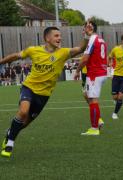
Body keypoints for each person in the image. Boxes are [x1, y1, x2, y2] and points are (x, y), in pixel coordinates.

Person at [0, 25, 90, 157]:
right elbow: (15, 56)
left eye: (60, 36)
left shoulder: (63, 53)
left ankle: (10, 132)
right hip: (29, 87)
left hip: (44, 95)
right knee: (23, 111)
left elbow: (80, 48)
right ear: (47, 38)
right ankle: (10, 144)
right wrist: (1, 62)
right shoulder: (33, 50)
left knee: (24, 123)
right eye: (56, 36)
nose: (60, 38)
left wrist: (87, 36)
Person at [74, 20, 107, 136]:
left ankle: (94, 128)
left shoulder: (92, 39)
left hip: (94, 73)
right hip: (101, 72)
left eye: (87, 27)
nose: (85, 29)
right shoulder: (101, 39)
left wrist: (77, 71)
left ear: (91, 29)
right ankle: (98, 120)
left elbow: (85, 58)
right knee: (88, 96)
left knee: (92, 100)